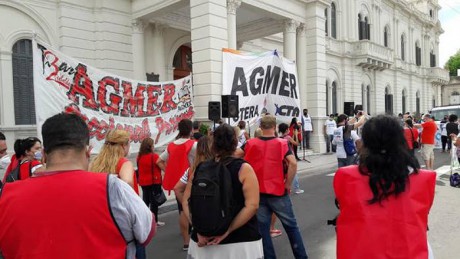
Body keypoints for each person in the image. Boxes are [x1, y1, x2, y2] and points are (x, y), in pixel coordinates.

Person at [0, 113, 155, 258]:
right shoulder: (113, 187)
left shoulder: (7, 195)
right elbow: (146, 231)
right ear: (87, 152)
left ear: (45, 155)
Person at [333, 115, 436, 259]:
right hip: (410, 252)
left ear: (366, 143)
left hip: (361, 251)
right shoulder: (425, 179)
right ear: (400, 141)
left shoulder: (345, 176)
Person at [182, 124, 262, 258]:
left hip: (202, 241)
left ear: (213, 143)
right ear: (235, 143)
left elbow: (186, 200)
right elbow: (252, 206)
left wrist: (198, 229)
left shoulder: (201, 168)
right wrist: (227, 230)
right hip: (240, 241)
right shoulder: (244, 169)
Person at [241, 115, 308, 259]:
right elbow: (293, 163)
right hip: (278, 190)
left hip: (258, 192)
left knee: (263, 230)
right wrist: (287, 184)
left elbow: (235, 154)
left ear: (260, 127)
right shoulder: (282, 143)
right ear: (274, 127)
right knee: (291, 227)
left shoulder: (250, 143)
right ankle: (301, 256)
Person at [89, 129, 145, 257]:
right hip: (125, 219)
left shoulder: (95, 163)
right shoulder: (124, 163)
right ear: (123, 145)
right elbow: (127, 183)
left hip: (102, 216)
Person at [157, 118, 197, 251]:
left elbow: (159, 161)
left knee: (182, 210)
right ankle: (194, 234)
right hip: (191, 180)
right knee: (192, 208)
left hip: (177, 183)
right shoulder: (194, 145)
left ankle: (186, 241)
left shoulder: (171, 145)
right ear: (190, 129)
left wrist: (168, 172)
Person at [173, 135, 213, 207]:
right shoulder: (218, 167)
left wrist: (188, 209)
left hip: (197, 210)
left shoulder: (191, 169)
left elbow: (177, 189)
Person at [137, 137, 165, 227]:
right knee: (154, 203)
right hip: (154, 181)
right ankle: (154, 221)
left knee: (146, 201)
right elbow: (162, 167)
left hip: (143, 182)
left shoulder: (139, 157)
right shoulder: (154, 156)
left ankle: (146, 221)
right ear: (150, 146)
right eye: (153, 145)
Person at [279, 123, 304, 194]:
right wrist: (295, 134)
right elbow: (296, 143)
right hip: (290, 155)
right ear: (286, 129)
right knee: (294, 172)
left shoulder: (279, 138)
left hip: (283, 156)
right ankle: (297, 188)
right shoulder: (288, 137)